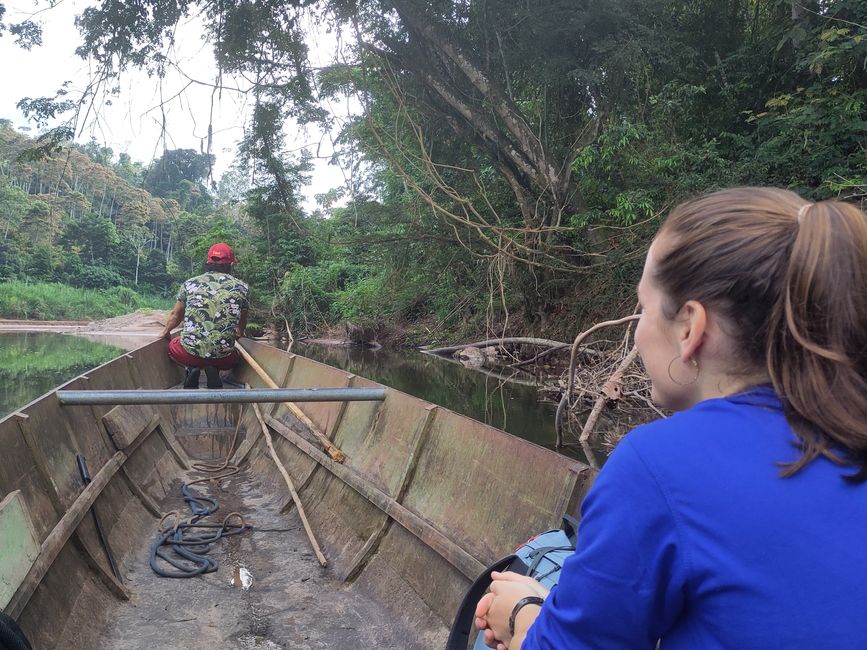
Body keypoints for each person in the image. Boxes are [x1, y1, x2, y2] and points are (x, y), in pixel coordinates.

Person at [474, 187, 867, 649]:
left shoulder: (657, 465)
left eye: (642, 307)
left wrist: (521, 616)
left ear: (689, 327)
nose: (638, 330)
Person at [160, 243, 249, 389]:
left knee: (172, 347)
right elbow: (242, 321)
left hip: (189, 354)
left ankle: (192, 368)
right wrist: (239, 333)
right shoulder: (242, 287)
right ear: (231, 264)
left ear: (208, 262)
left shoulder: (190, 284)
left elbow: (176, 316)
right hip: (223, 358)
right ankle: (213, 369)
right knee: (235, 358)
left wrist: (164, 332)